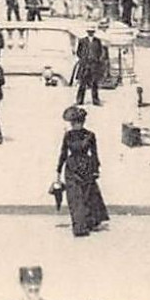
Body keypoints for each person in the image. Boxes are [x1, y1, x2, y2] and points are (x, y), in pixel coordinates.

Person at [56, 106, 109, 237]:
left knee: (88, 196)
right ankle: (79, 227)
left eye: (77, 123)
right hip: (71, 168)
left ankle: (90, 222)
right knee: (75, 198)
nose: (74, 125)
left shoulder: (90, 135)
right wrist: (58, 171)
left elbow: (95, 154)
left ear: (82, 122)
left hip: (87, 167)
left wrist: (96, 170)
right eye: (72, 123)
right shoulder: (68, 135)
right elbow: (63, 153)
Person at [73, 26, 105, 107]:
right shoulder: (82, 41)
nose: (90, 33)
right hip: (85, 65)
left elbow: (101, 52)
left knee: (94, 83)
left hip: (94, 65)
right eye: (89, 31)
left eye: (92, 31)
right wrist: (83, 59)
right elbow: (78, 52)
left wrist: (97, 59)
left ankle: (95, 100)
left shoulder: (97, 41)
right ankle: (79, 100)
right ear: (87, 32)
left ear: (94, 32)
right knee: (82, 83)